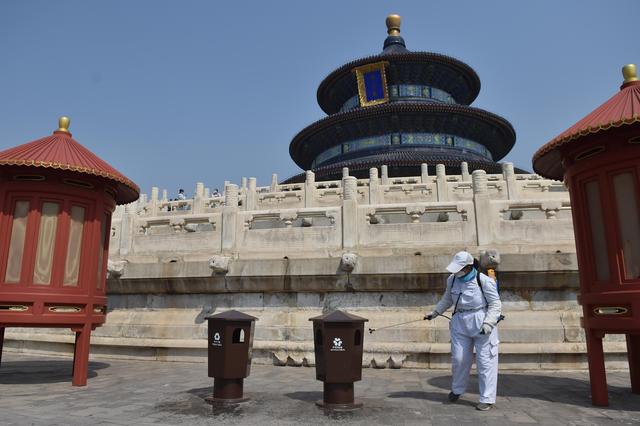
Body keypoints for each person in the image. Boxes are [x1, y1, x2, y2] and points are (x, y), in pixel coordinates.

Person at [425, 251, 502, 411]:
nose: (456, 272)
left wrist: (488, 322)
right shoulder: (452, 280)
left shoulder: (484, 281)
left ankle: (487, 398)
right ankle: (457, 389)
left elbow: (495, 304)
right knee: (459, 359)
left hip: (481, 321)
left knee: (485, 361)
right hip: (460, 321)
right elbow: (447, 299)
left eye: (459, 268)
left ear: (468, 267)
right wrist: (435, 312)